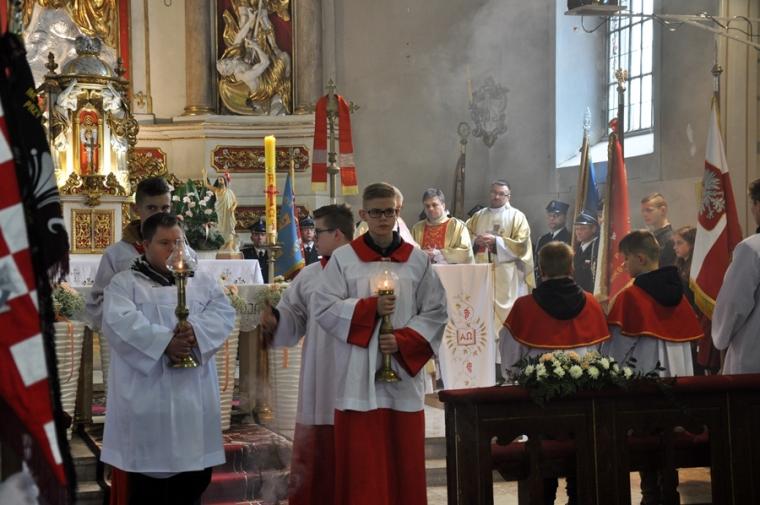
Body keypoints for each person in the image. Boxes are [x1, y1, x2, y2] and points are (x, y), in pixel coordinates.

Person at [313, 182, 448, 505]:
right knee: (363, 463)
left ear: (398, 212)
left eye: (389, 212)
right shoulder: (344, 259)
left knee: (404, 457)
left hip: (402, 373)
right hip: (358, 373)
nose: (383, 219)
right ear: (363, 215)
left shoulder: (416, 261)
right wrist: (369, 308)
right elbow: (324, 307)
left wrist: (402, 341)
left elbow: (436, 311)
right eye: (376, 212)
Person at [101, 213, 235, 505]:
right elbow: (119, 323)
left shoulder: (202, 281)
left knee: (193, 482)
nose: (174, 249)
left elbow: (224, 313)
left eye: (179, 241)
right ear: (145, 245)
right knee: (148, 490)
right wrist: (165, 343)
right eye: (164, 243)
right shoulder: (125, 284)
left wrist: (195, 333)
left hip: (193, 398)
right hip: (148, 399)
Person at [259, 204, 354, 505]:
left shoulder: (365, 270)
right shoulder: (310, 275)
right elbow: (293, 315)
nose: (309, 238)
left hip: (357, 372)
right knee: (318, 459)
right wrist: (276, 320)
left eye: (319, 231)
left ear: (337, 234)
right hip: (320, 370)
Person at [501, 241, 608, 505]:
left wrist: (517, 376)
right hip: (583, 403)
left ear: (541, 269)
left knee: (541, 459)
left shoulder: (524, 306)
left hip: (539, 404)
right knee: (580, 457)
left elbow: (510, 359)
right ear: (572, 268)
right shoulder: (591, 303)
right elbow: (602, 353)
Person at [602, 230, 702, 505]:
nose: (624, 265)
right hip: (678, 388)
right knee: (669, 443)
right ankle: (669, 492)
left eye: (626, 259)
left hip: (643, 389)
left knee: (646, 445)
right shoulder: (680, 294)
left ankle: (650, 494)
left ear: (641, 258)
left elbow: (617, 350)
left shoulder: (631, 296)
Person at [712, 178, 760, 374]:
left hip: (753, 360)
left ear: (758, 206)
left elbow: (733, 304)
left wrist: (721, 337)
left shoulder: (752, 248)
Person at [673, 226, 719, 375]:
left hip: (696, 319)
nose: (675, 247)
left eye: (679, 243)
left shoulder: (698, 268)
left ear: (692, 244)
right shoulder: (679, 265)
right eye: (674, 243)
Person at [410, 188, 473, 264]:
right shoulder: (417, 228)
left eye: (434, 205)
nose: (430, 208)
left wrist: (439, 254)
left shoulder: (457, 226)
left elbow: (465, 252)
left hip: (449, 270)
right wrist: (422, 254)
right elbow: (409, 252)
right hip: (423, 270)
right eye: (427, 206)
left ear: (443, 205)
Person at [533, 200, 571, 283]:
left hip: (560, 284)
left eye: (556, 215)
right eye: (549, 215)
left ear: (565, 217)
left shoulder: (569, 238)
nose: (552, 218)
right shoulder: (542, 239)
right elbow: (537, 266)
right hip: (542, 284)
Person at [202, 169, 238, 251]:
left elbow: (235, 202)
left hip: (228, 212)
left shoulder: (229, 192)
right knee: (221, 227)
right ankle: (224, 243)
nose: (220, 181)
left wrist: (233, 207)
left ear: (224, 181)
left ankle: (230, 245)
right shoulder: (216, 190)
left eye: (221, 179)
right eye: (218, 180)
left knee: (229, 227)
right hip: (219, 212)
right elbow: (206, 184)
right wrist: (204, 174)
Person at [640, 192, 676, 268]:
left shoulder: (671, 239)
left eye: (649, 210)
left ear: (663, 210)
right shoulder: (651, 237)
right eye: (643, 211)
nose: (644, 214)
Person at [572, 211, 600, 293]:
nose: (578, 232)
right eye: (577, 229)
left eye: (583, 228)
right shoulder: (578, 248)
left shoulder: (597, 248)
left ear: (594, 229)